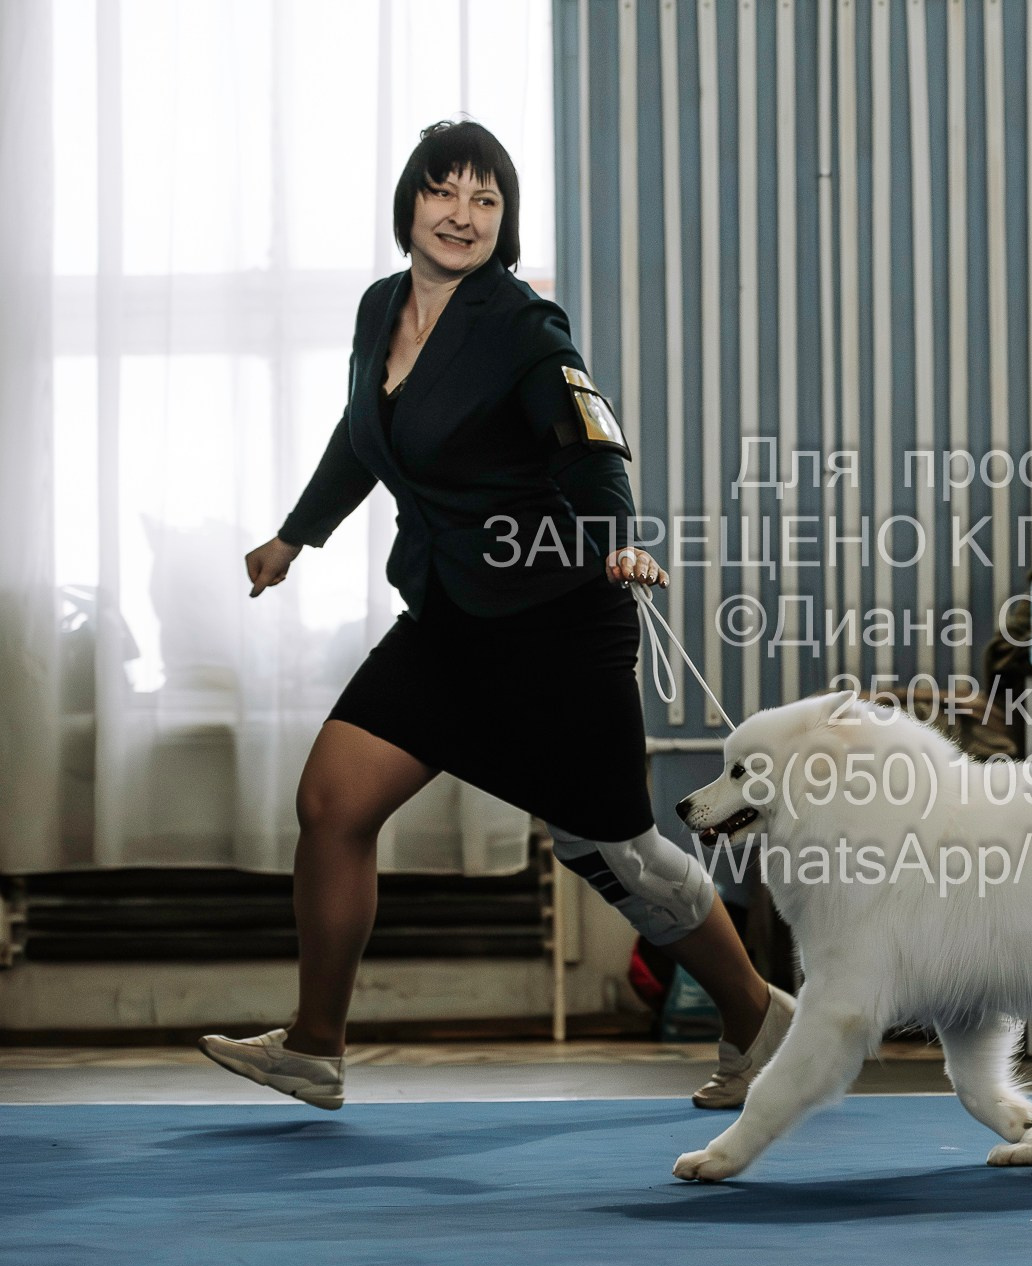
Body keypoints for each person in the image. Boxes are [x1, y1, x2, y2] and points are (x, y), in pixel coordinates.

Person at [198, 121, 791, 1111]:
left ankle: (758, 1017)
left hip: (554, 626)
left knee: (621, 854)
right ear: (411, 203)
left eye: (485, 199)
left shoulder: (523, 327)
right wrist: (294, 538)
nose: (462, 214)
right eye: (444, 191)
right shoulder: (379, 310)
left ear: (503, 222)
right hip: (446, 619)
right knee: (332, 805)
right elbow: (362, 440)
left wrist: (612, 537)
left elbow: (591, 450)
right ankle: (314, 1046)